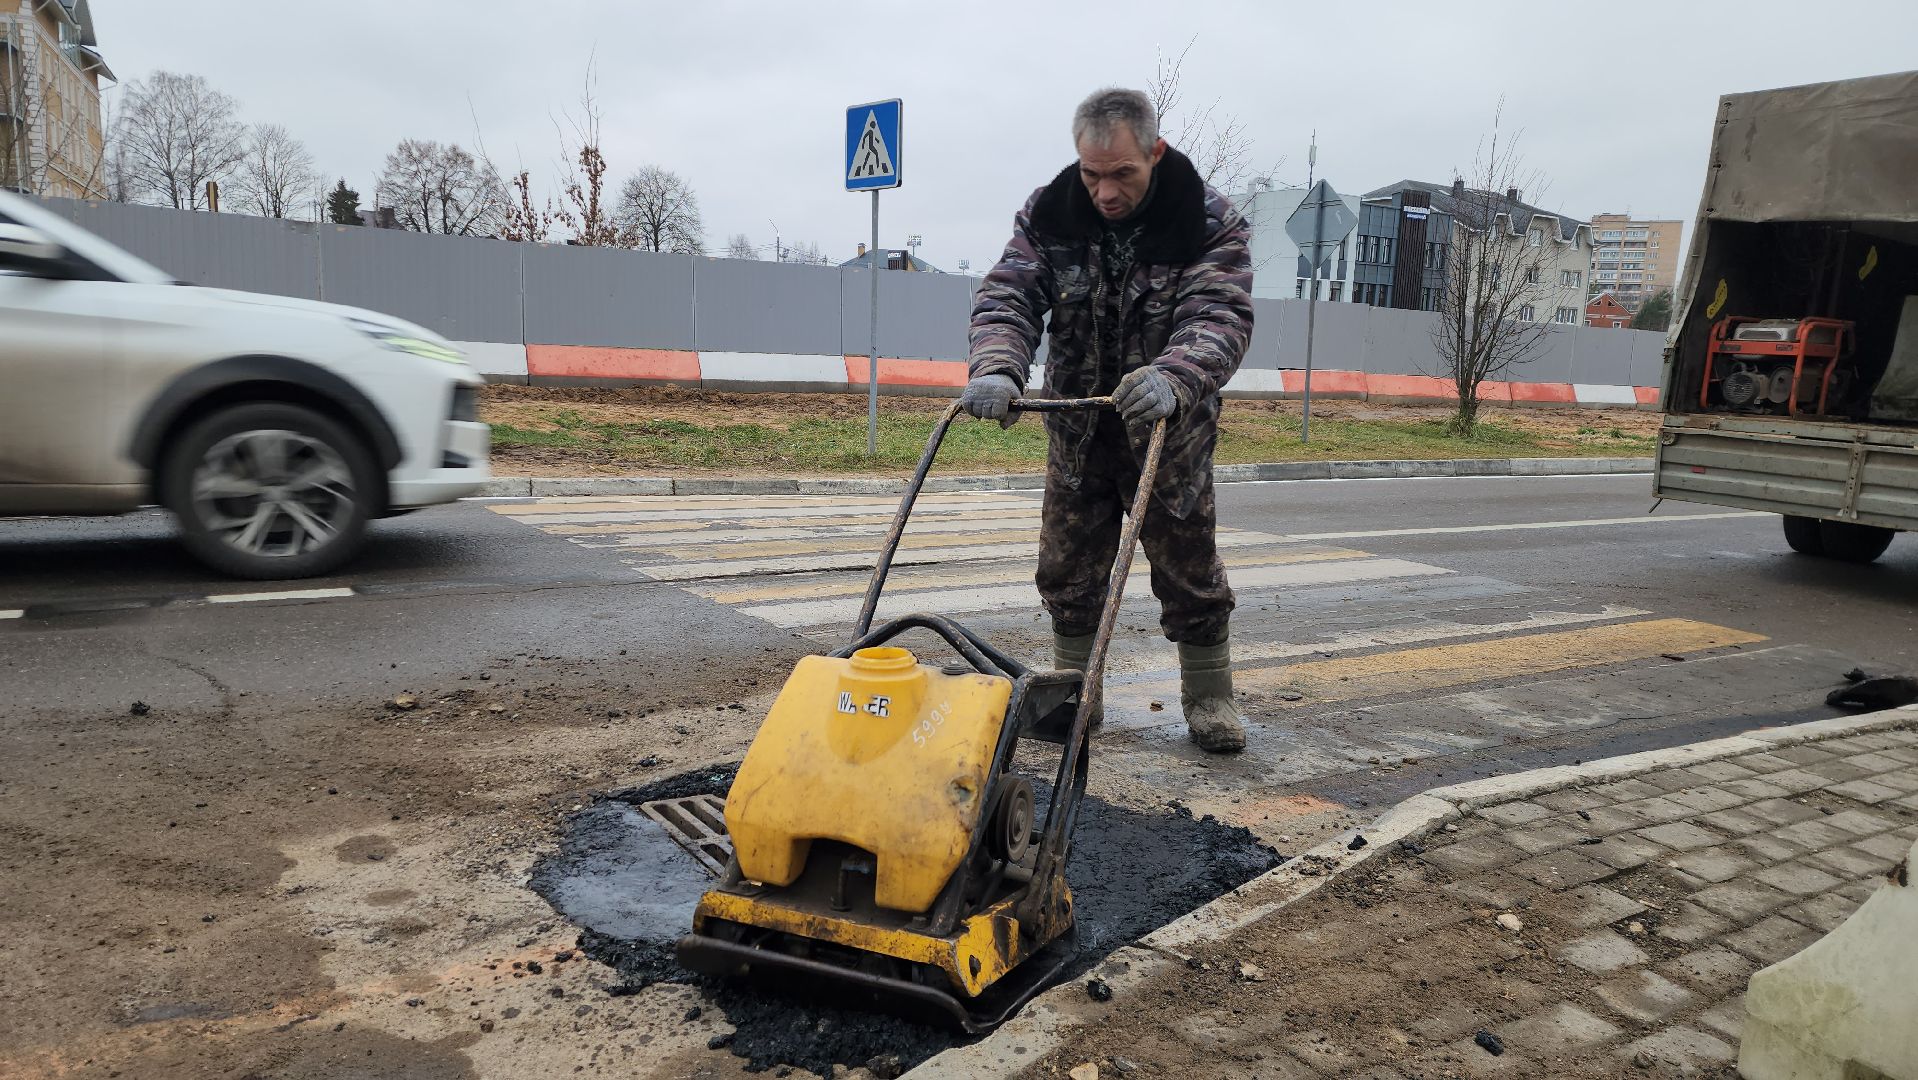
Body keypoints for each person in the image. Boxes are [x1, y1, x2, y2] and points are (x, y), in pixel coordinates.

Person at [960, 87, 1254, 753]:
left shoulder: (1207, 222)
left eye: (1123, 173)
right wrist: (998, 364)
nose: (1106, 191)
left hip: (1166, 437)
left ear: (1155, 151)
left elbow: (1220, 314)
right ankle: (1074, 695)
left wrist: (1176, 375)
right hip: (1079, 432)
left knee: (1190, 570)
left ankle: (1209, 695)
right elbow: (1010, 293)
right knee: (1067, 570)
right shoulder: (1051, 212)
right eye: (1092, 174)